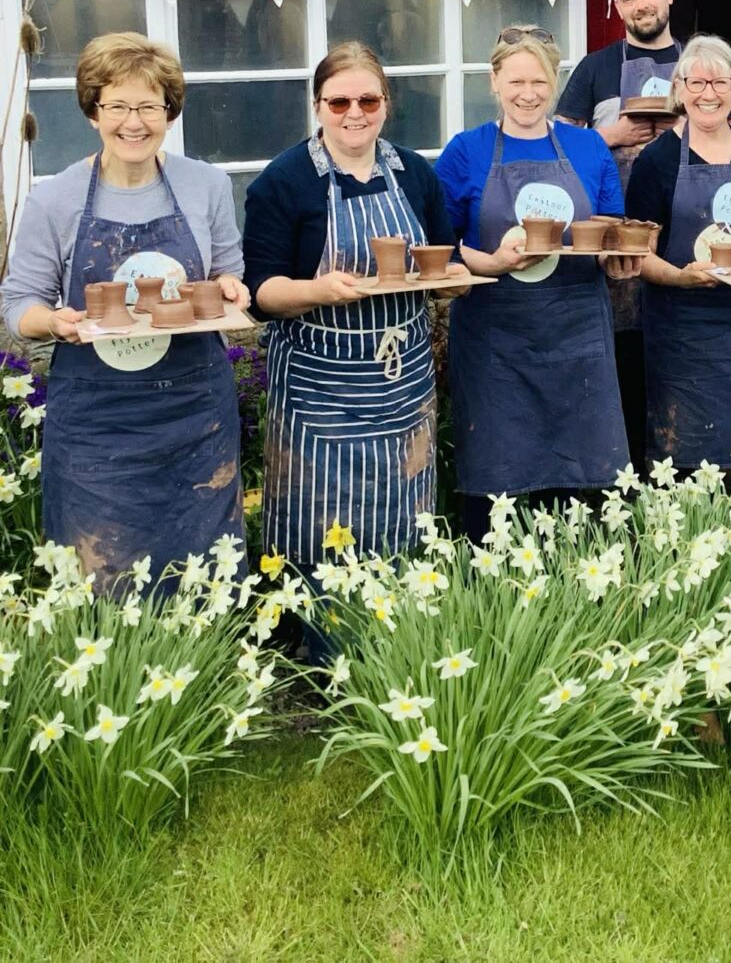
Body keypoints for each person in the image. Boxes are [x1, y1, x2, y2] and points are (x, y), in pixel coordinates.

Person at [0, 32, 247, 590]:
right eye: (116, 106)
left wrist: (232, 288)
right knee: (102, 577)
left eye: (149, 106)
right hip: (98, 426)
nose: (133, 122)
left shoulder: (205, 185)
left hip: (195, 414)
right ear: (93, 111)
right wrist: (56, 322)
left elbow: (231, 270)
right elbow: (18, 305)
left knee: (203, 575)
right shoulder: (55, 199)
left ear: (168, 111)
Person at [244, 41, 464, 567]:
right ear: (317, 107)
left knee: (403, 515)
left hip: (403, 378)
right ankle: (316, 634)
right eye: (339, 102)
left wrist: (455, 282)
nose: (354, 113)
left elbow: (442, 260)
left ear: (386, 103)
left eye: (368, 100)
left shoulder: (414, 173)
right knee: (319, 522)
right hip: (319, 386)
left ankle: (401, 632)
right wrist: (317, 291)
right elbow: (261, 292)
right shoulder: (283, 181)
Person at [436, 25, 640, 543]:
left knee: (582, 473)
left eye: (540, 82)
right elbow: (441, 246)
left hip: (577, 333)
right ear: (494, 82)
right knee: (497, 473)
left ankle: (578, 587)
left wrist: (618, 262)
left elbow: (612, 230)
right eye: (516, 81)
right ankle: (491, 591)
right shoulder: (466, 151)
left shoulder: (589, 147)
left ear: (555, 83)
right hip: (495, 338)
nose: (528, 94)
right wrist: (491, 261)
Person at [625, 35, 731, 480]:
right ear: (679, 90)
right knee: (687, 467)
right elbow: (639, 257)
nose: (708, 93)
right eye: (696, 81)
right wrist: (681, 276)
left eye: (720, 81)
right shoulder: (656, 161)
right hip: (686, 332)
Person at [555, 0, 690, 467]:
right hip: (615, 233)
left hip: (687, 230)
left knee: (678, 351)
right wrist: (610, 137)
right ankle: (625, 468)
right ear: (617, 8)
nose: (640, 5)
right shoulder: (596, 67)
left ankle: (679, 469)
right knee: (627, 357)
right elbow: (558, 146)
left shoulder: (698, 62)